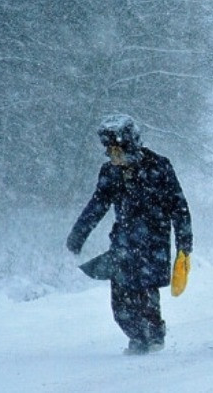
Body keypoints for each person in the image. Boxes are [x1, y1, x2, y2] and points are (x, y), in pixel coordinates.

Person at [66, 114, 193, 355]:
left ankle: (153, 336)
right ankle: (137, 337)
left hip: (153, 242)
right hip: (123, 243)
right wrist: (78, 234)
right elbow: (98, 204)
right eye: (110, 150)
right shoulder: (109, 173)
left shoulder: (159, 167)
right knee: (120, 302)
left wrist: (184, 247)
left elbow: (179, 208)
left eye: (118, 149)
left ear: (131, 145)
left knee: (145, 293)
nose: (114, 155)